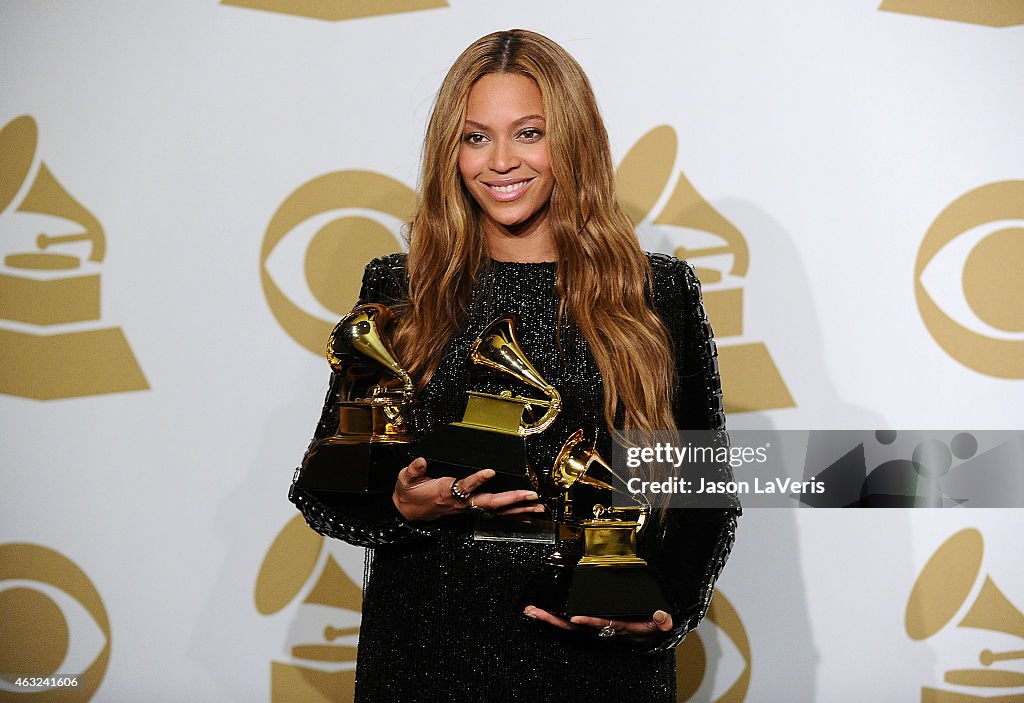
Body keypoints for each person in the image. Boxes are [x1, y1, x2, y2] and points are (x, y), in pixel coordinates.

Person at [290, 28, 739, 703]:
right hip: (427, 658)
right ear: (451, 150)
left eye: (529, 133)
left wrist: (664, 611)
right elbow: (326, 488)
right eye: (476, 137)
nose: (500, 161)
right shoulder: (399, 288)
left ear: (573, 141)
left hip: (600, 668)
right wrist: (404, 504)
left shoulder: (657, 292)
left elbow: (707, 491)